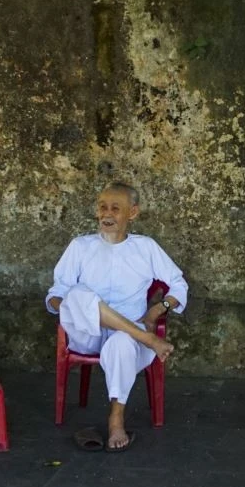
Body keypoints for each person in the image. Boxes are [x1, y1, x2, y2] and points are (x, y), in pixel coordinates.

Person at [46, 183, 187, 452]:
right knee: (78, 294)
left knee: (121, 343)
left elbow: (178, 285)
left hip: (128, 338)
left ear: (132, 213)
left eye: (115, 208)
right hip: (87, 333)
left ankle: (116, 419)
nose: (106, 214)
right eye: (102, 207)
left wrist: (158, 309)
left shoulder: (145, 248)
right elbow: (56, 293)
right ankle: (147, 338)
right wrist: (67, 304)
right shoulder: (80, 246)